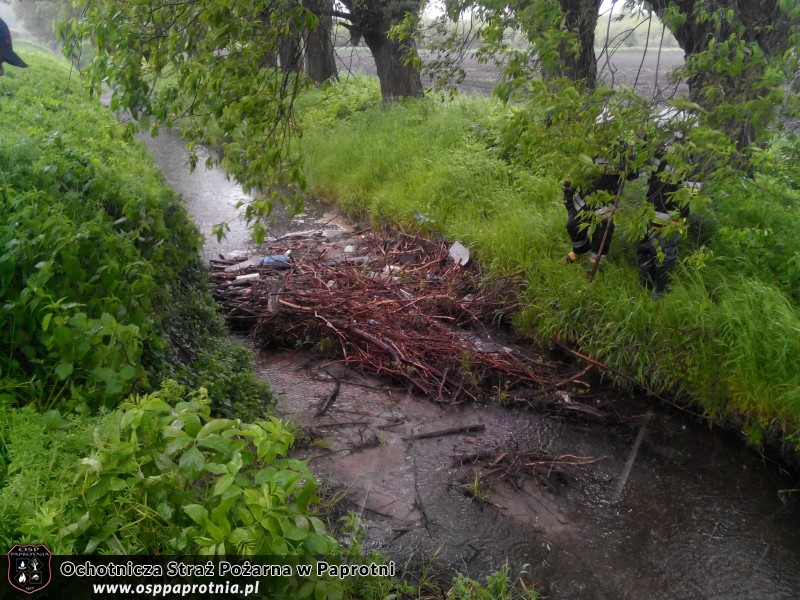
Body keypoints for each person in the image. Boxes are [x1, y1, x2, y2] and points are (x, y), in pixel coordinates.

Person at [637, 108, 701, 298]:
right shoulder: (662, 148)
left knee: (664, 256)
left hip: (668, 217)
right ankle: (644, 287)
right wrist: (642, 137)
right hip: (649, 211)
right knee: (645, 250)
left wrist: (680, 217)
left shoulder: (689, 155)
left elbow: (692, 191)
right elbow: (646, 158)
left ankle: (660, 293)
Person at [564, 109, 640, 267]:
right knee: (573, 224)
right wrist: (567, 193)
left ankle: (595, 263)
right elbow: (574, 172)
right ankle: (580, 248)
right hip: (586, 195)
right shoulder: (589, 147)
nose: (605, 131)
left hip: (608, 197)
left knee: (603, 232)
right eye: (601, 127)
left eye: (609, 127)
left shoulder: (622, 149)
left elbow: (633, 175)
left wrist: (630, 165)